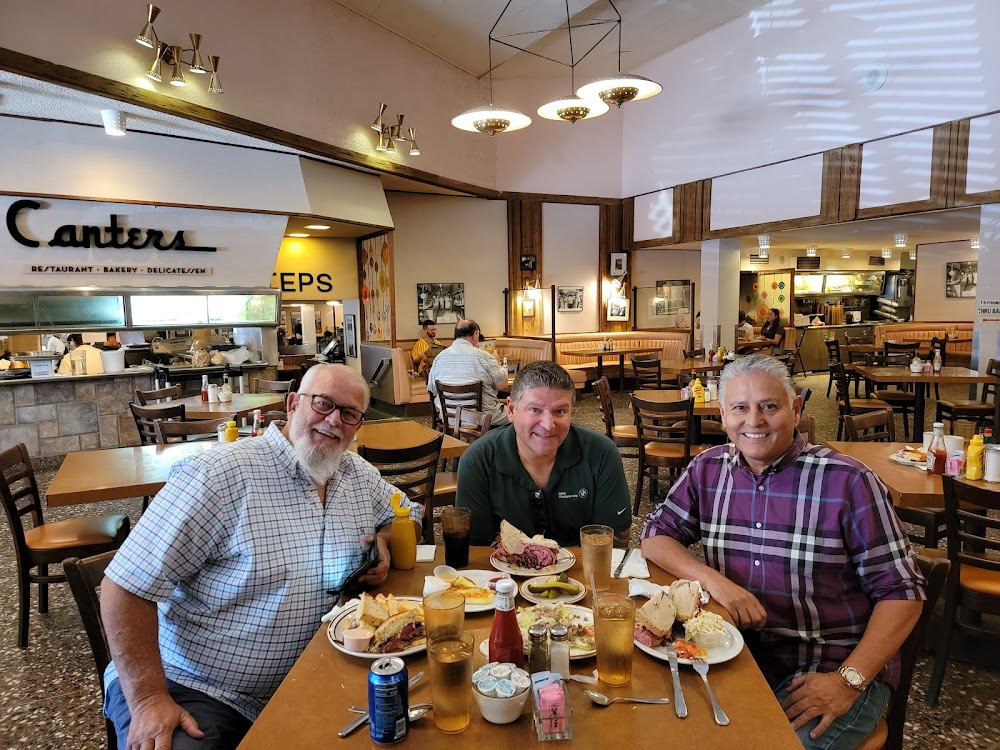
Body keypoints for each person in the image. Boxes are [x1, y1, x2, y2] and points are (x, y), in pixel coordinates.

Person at [100, 364, 420, 750]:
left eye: (349, 413)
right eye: (322, 404)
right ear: (292, 404)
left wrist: (385, 537)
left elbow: (409, 512)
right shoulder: (218, 475)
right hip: (197, 687)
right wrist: (149, 699)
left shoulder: (356, 474)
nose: (334, 420)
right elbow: (123, 587)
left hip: (312, 678)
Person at [640, 354, 925, 750]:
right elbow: (655, 536)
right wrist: (718, 584)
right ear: (723, 415)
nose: (753, 421)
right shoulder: (708, 468)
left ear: (796, 407)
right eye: (739, 408)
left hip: (829, 667)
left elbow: (903, 593)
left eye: (769, 407)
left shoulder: (848, 481)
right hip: (734, 656)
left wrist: (848, 681)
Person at [457, 360, 631, 548]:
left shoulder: (602, 454)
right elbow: (476, 551)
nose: (548, 425)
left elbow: (615, 544)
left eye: (560, 411)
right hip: (504, 576)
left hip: (583, 574)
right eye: (535, 410)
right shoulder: (478, 460)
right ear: (511, 410)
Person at [427, 318, 510, 427]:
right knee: (517, 414)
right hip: (482, 418)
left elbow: (432, 389)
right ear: (475, 334)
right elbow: (502, 386)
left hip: (450, 418)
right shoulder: (484, 356)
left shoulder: (439, 358)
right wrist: (497, 363)